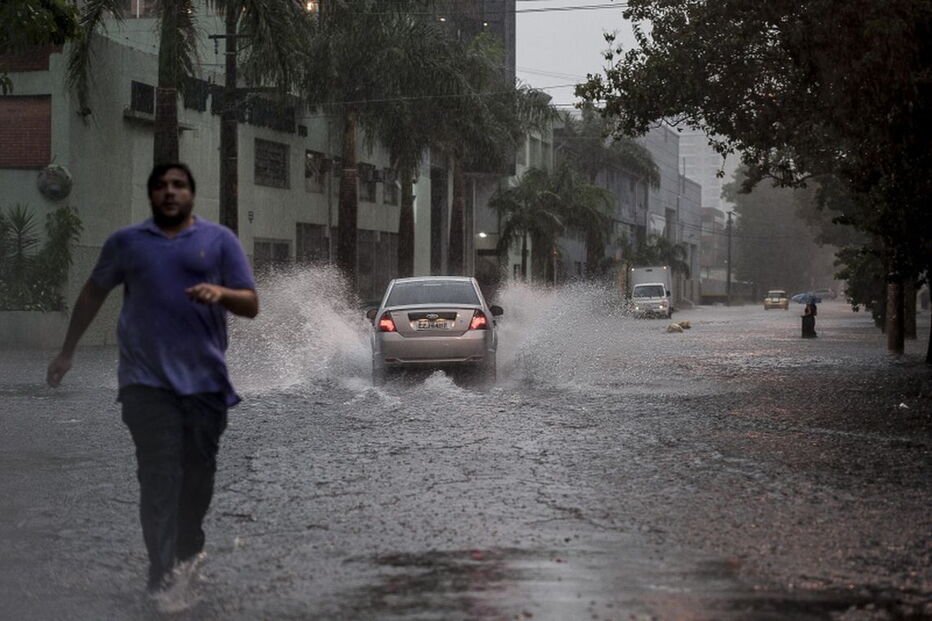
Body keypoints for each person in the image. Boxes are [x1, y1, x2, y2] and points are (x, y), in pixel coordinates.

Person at [46, 163, 258, 611]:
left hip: (205, 386)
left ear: (191, 194)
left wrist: (221, 294)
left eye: (178, 185)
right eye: (161, 186)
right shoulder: (127, 243)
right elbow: (92, 293)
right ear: (151, 195)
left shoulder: (219, 241)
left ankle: (187, 550)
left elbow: (250, 303)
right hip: (145, 384)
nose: (170, 192)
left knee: (196, 480)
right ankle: (161, 575)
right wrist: (67, 351)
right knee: (158, 477)